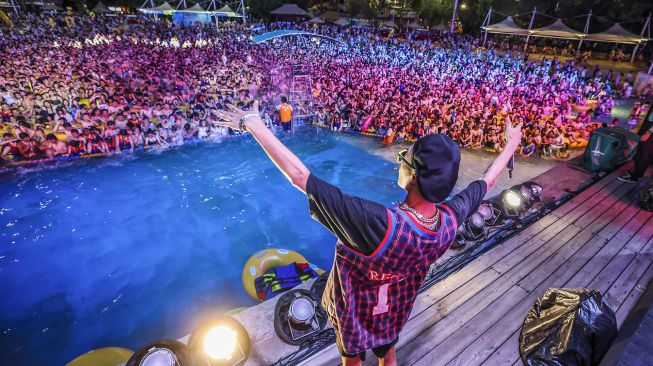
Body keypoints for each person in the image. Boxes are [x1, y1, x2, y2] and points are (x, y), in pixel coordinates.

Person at [214, 101, 523, 366]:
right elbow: (486, 182)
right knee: (388, 354)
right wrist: (511, 144)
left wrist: (252, 122)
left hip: (355, 313)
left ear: (412, 176)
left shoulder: (375, 223)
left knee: (352, 359)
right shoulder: (448, 222)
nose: (399, 161)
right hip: (396, 309)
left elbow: (299, 176)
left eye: (404, 157)